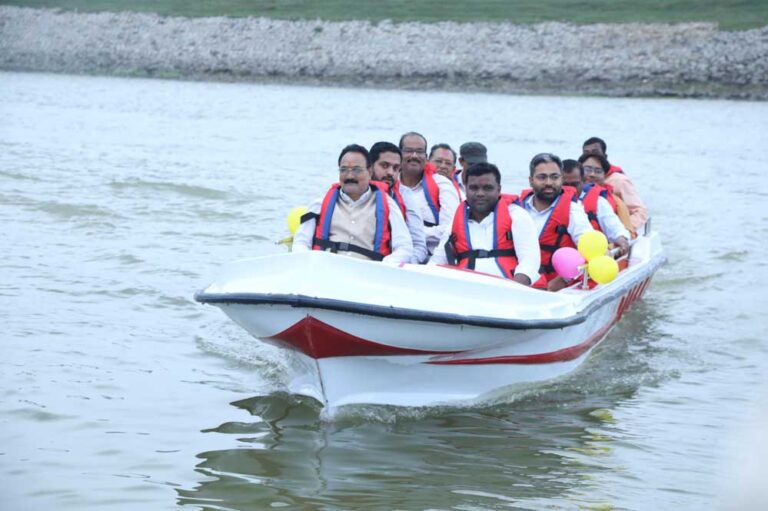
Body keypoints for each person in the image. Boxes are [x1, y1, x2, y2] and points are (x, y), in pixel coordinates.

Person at [293, 144, 413, 264]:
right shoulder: (319, 204)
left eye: (356, 170)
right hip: (326, 269)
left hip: (368, 273)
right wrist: (308, 263)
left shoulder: (389, 205)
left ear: (370, 171)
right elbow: (301, 242)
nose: (349, 175)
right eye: (344, 170)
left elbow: (404, 248)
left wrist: (383, 267)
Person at [430, 163, 540, 285]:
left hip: (508, 289)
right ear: (465, 189)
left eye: (487, 188)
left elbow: (530, 261)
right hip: (464, 290)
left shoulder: (517, 215)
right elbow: (437, 261)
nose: (480, 193)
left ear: (498, 189)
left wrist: (514, 289)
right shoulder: (455, 222)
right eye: (474, 188)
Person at [519, 153, 594, 291]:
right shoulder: (516, 209)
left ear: (561, 179)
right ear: (531, 180)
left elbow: (592, 251)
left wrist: (563, 280)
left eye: (554, 177)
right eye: (542, 177)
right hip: (519, 285)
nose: (548, 183)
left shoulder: (573, 211)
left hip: (555, 291)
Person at [398, 132, 461, 255]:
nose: (414, 155)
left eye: (419, 151)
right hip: (393, 252)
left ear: (426, 157)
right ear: (399, 154)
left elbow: (449, 229)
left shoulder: (442, 185)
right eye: (409, 151)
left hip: (431, 257)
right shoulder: (390, 183)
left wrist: (410, 233)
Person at [369, 141, 429, 264]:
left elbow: (419, 246)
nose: (390, 172)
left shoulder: (406, 196)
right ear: (370, 166)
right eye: (384, 166)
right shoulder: (352, 191)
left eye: (396, 168)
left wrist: (399, 265)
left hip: (391, 266)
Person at [561, 159, 630, 255]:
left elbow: (615, 229)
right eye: (565, 185)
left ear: (583, 182)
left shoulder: (599, 202)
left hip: (588, 258)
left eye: (574, 185)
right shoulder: (547, 203)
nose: (569, 189)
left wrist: (621, 239)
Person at [581, 137, 648, 230]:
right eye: (586, 153)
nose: (591, 156)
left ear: (605, 156)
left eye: (595, 152)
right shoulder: (577, 180)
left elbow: (640, 212)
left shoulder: (620, 181)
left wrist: (621, 229)